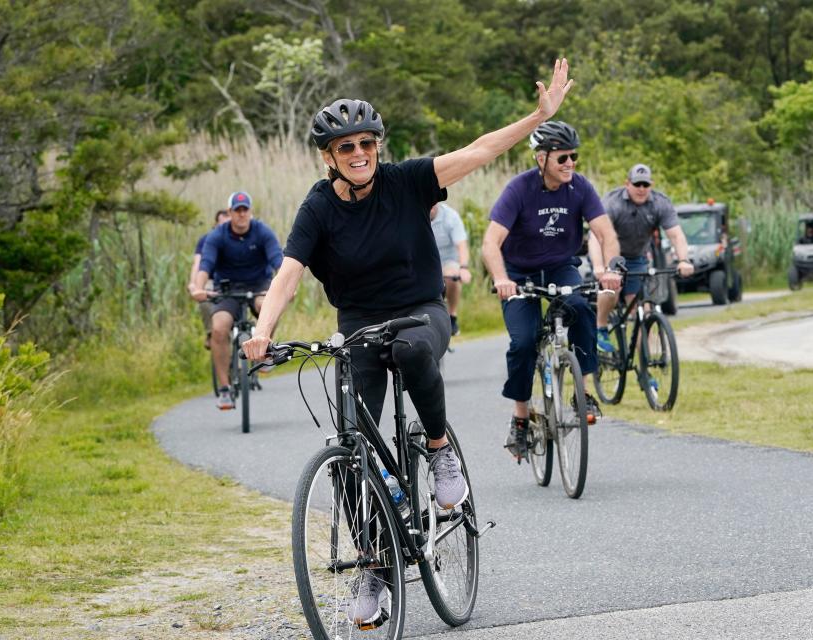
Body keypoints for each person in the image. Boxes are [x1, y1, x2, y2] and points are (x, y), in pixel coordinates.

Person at [242, 59, 575, 626]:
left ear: (376, 146)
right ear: (329, 157)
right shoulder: (317, 208)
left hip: (420, 310)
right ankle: (374, 566)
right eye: (345, 148)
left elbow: (479, 151)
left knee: (414, 350)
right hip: (359, 324)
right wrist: (262, 331)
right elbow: (290, 272)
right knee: (351, 451)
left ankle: (440, 449)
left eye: (365, 143)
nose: (358, 154)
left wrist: (536, 119)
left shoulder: (406, 180)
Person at [481, 120, 623, 463]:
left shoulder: (580, 188)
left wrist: (613, 266)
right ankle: (520, 416)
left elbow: (606, 234)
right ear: (541, 158)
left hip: (561, 266)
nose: (570, 163)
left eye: (573, 156)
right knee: (524, 342)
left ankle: (583, 392)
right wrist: (502, 278)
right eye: (563, 158)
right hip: (519, 273)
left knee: (581, 306)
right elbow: (490, 243)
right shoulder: (519, 189)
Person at [589, 163, 694, 354]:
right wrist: (599, 267)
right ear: (627, 184)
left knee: (642, 313)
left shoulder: (660, 203)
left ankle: (645, 367)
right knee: (612, 288)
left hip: (637, 258)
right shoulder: (613, 202)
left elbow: (676, 235)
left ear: (651, 185)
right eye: (637, 184)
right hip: (610, 256)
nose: (641, 189)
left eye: (645, 185)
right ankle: (601, 328)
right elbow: (596, 237)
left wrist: (684, 260)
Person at [192, 191, 282, 410]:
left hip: (258, 285)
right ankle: (224, 389)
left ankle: (264, 349)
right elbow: (206, 264)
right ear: (230, 212)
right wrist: (198, 286)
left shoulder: (262, 232)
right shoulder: (218, 236)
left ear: (250, 211)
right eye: (237, 210)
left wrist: (284, 287)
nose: (241, 215)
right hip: (228, 288)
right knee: (219, 328)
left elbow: (278, 261)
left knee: (268, 306)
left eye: (245, 210)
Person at [188, 208, 230, 349]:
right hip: (211, 280)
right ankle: (210, 332)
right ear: (216, 224)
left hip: (234, 280)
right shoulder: (207, 240)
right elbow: (198, 263)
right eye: (222, 224)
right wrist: (194, 284)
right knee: (204, 300)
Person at [430, 202, 472, 335]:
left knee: (452, 276)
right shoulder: (414, 215)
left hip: (448, 261)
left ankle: (452, 316)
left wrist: (464, 267)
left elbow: (461, 246)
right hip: (427, 261)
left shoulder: (450, 217)